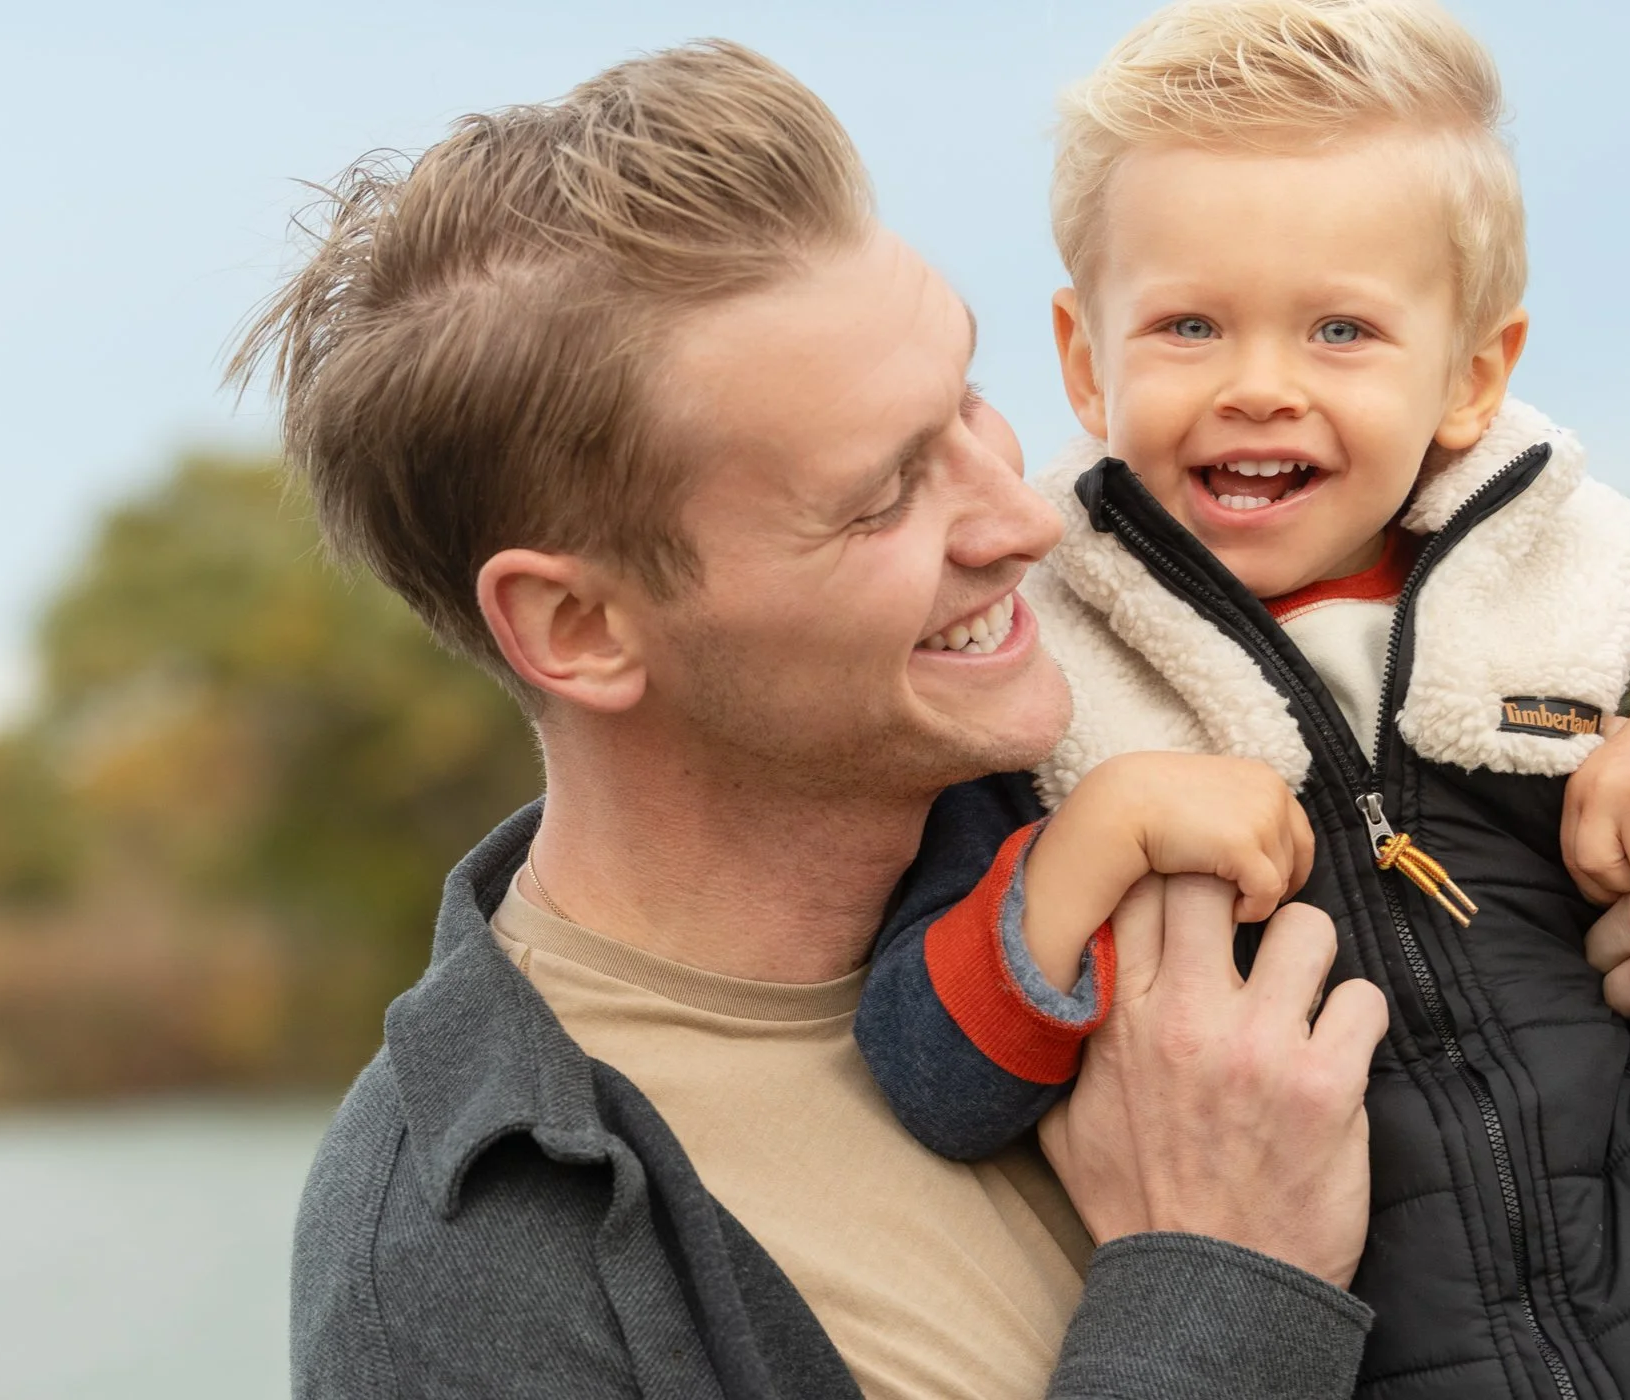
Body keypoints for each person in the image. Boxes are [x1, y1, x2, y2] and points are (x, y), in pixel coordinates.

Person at [235, 40, 1393, 1400]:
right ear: (579, 626)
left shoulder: (1152, 787)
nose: (1026, 521)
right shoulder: (462, 1272)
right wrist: (1223, 1281)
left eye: (968, 398)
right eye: (886, 494)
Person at [853, 3, 1630, 1399]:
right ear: (1087, 361)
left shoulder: (1561, 582)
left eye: (1341, 329)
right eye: (1189, 325)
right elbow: (930, 1070)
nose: (1259, 388)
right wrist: (1092, 839)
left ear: (1472, 375)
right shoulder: (1048, 673)